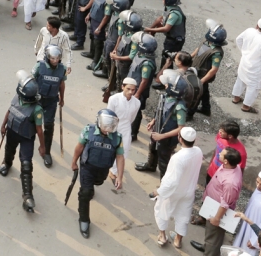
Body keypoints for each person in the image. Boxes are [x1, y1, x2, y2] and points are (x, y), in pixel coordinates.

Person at [70, 108, 125, 238]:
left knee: (97, 182)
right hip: (87, 167)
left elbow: (120, 157)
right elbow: (79, 147)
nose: (107, 129)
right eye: (105, 126)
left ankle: (90, 187)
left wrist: (120, 177)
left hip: (102, 169)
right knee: (85, 193)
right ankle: (84, 219)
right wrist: (74, 162)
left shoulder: (117, 138)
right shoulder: (88, 131)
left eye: (110, 126)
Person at [0, 70, 46, 212]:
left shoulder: (36, 110)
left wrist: (42, 147)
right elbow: (9, 110)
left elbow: (40, 130)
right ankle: (6, 164)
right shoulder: (17, 98)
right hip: (12, 131)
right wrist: (3, 124)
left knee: (26, 165)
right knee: (9, 150)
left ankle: (28, 196)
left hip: (27, 138)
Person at [153, 126, 203, 249]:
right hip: (189, 191)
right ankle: (178, 241)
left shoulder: (178, 157)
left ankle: (162, 236)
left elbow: (172, 181)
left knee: (162, 210)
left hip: (174, 192)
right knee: (183, 215)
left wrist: (159, 191)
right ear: (194, 140)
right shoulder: (198, 151)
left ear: (180, 139)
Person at [136, 70, 188, 179]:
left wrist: (162, 136)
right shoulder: (166, 96)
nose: (164, 84)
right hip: (158, 131)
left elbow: (181, 129)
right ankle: (150, 165)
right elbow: (160, 111)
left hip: (167, 138)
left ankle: (164, 182)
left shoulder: (180, 107)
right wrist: (153, 121)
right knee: (153, 148)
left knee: (163, 160)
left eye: (167, 84)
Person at [191, 146, 243, 253]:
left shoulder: (231, 182)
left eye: (221, 154)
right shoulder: (231, 166)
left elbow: (225, 204)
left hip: (217, 211)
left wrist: (217, 218)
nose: (218, 154)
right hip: (211, 205)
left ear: (226, 161)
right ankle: (207, 247)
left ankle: (210, 251)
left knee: (214, 237)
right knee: (211, 234)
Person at [33, 45, 65, 168]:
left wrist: (62, 97)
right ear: (47, 57)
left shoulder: (61, 69)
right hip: (37, 100)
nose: (55, 61)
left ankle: (46, 152)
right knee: (32, 124)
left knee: (49, 126)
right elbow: (31, 81)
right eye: (52, 58)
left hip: (51, 101)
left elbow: (62, 84)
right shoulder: (39, 66)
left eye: (57, 58)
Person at [233, 18, 261, 112]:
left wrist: (244, 52)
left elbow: (238, 39)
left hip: (244, 63)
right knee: (253, 87)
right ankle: (246, 107)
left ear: (257, 26)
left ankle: (236, 98)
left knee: (240, 80)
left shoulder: (249, 31)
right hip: (256, 69)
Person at [234, 169, 261, 254]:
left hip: (253, 237)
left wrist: (255, 241)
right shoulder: (259, 190)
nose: (258, 186)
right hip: (245, 227)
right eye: (257, 182)